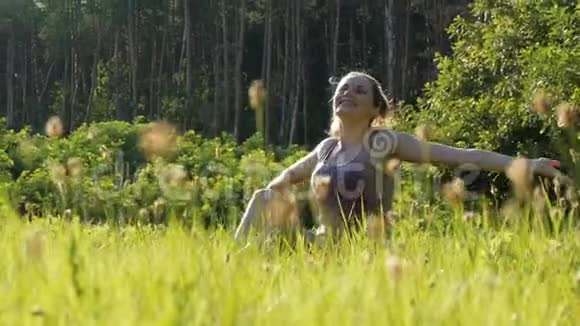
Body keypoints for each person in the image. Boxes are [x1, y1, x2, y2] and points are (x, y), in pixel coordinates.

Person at [234, 71, 570, 241]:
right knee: (263, 197)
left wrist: (531, 165)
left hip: (361, 250)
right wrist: (283, 201)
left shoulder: (384, 142)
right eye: (343, 89)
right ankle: (236, 267)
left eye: (359, 90)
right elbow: (281, 182)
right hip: (315, 244)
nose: (348, 92)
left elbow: (463, 155)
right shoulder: (326, 149)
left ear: (375, 109)